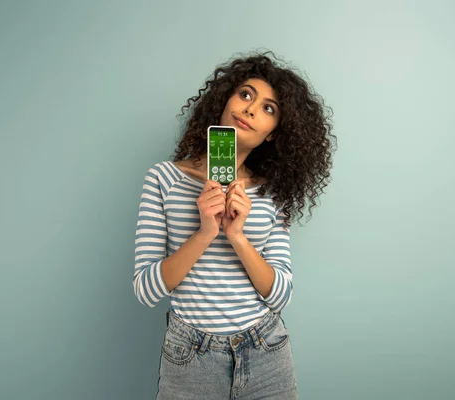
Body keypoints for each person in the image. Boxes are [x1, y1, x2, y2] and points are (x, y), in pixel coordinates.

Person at [133, 50, 337, 399]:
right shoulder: (164, 179)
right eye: (245, 95)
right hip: (190, 357)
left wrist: (237, 237)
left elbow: (281, 295)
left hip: (266, 351)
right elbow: (146, 290)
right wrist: (204, 233)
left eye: (268, 108)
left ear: (273, 133)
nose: (251, 109)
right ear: (224, 102)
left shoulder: (272, 193)